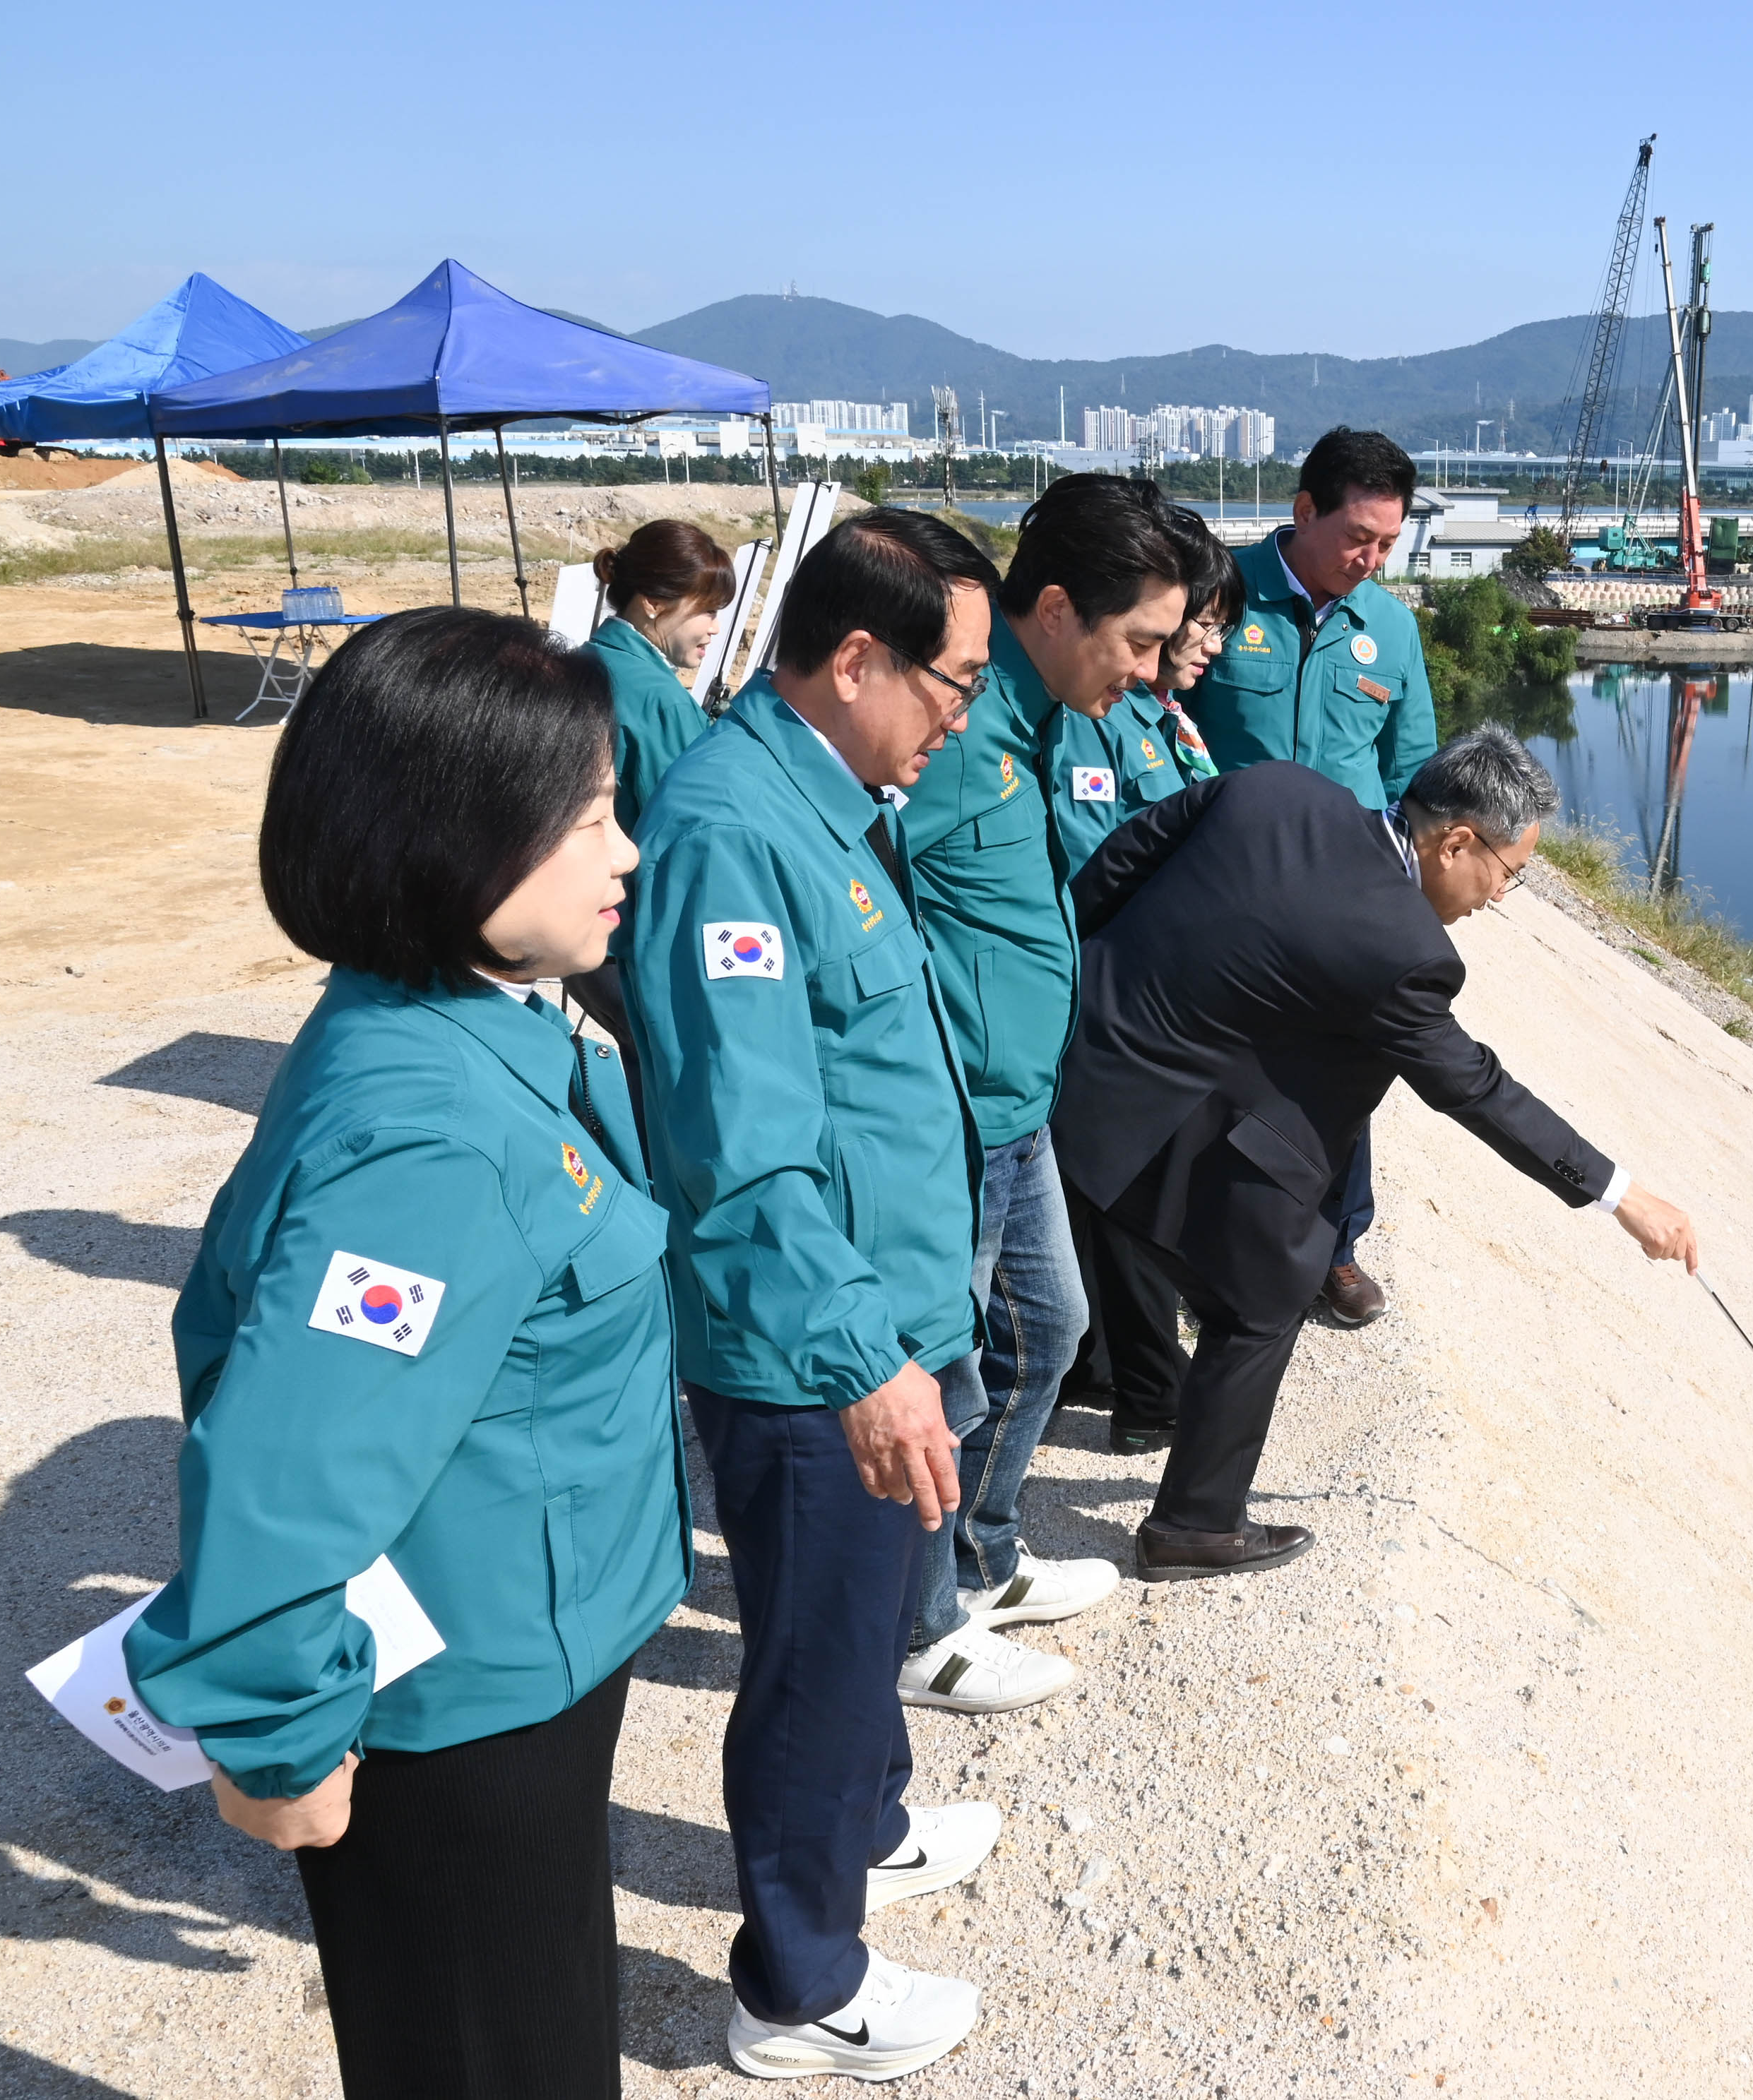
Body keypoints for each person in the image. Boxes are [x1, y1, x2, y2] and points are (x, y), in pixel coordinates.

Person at [125, 607, 690, 2099]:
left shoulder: (464, 1013)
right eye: (582, 820)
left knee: (535, 2013)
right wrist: (278, 1726)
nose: (624, 850)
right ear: (453, 841)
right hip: (471, 1700)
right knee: (494, 2052)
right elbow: (286, 1461)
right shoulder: (431, 1134)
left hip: (529, 1641)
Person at [625, 511, 1006, 2081]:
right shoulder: (734, 831)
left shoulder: (830, 797)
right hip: (811, 1348)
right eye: (949, 682)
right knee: (814, 1660)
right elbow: (749, 1151)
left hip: (882, 1318)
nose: (960, 715)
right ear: (855, 658)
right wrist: (867, 1359)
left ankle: (869, 1825)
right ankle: (795, 1986)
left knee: (856, 1649)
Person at [1053, 727, 1701, 1580]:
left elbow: (1116, 866)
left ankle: (1147, 1414)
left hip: (1067, 1045)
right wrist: (1622, 1196)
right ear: (1457, 841)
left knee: (1238, 1247)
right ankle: (1193, 1527)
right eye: (1509, 874)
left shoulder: (1276, 789)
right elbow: (1475, 1089)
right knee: (1263, 1295)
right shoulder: (1407, 950)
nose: (1501, 898)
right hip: (1130, 1118)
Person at [884, 473, 1189, 1695]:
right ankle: (921, 1631)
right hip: (953, 1117)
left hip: (1018, 1110)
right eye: (1141, 641)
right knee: (944, 1372)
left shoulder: (1045, 718)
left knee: (1050, 1330)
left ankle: (985, 1548)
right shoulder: (956, 739)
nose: (1156, 669)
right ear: (1056, 608)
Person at [1186, 427, 1437, 1330]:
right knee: (1217, 1071)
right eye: (1356, 538)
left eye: (1387, 544)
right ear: (1303, 513)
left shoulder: (1392, 629)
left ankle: (1336, 1247)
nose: (1370, 559)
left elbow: (1415, 773)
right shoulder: (1224, 593)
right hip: (1223, 886)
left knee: (1340, 1076)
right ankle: (1200, 1244)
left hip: (1344, 902)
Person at [1047, 496, 1240, 1456]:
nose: (1204, 645)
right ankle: (1137, 1383)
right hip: (1116, 989)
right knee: (1117, 1191)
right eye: (1196, 626)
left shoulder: (1161, 719)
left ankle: (1113, 1366)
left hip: (1161, 985)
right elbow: (1101, 858)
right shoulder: (1094, 720)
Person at [563, 519, 737, 1097]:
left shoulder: (586, 662)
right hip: (633, 937)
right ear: (655, 603)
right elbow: (694, 835)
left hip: (584, 934)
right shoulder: (657, 696)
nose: (716, 628)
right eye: (707, 611)